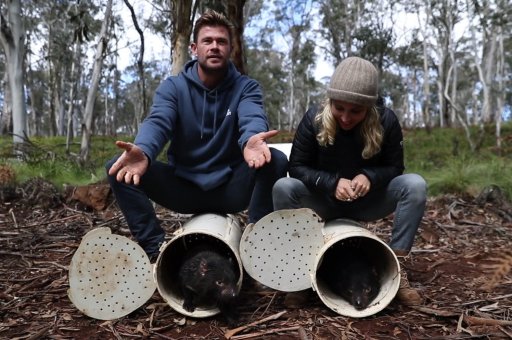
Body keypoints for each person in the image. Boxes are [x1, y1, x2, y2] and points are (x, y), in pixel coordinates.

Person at [106, 9, 288, 260]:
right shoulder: (174, 87)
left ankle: (256, 248)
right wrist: (144, 151)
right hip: (184, 187)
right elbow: (159, 121)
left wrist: (250, 139)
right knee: (118, 169)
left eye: (221, 41)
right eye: (208, 41)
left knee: (275, 160)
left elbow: (252, 116)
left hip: (229, 188)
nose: (214, 46)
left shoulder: (246, 87)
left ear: (231, 48)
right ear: (194, 47)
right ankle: (156, 251)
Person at [272, 56, 427, 305]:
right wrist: (331, 183)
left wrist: (370, 176)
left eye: (355, 111)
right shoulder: (314, 119)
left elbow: (395, 167)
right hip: (323, 200)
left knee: (415, 185)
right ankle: (298, 273)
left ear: (370, 107)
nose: (345, 117)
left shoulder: (386, 121)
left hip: (367, 202)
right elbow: (297, 167)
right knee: (284, 187)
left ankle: (397, 269)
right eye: (339, 108)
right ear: (330, 101)